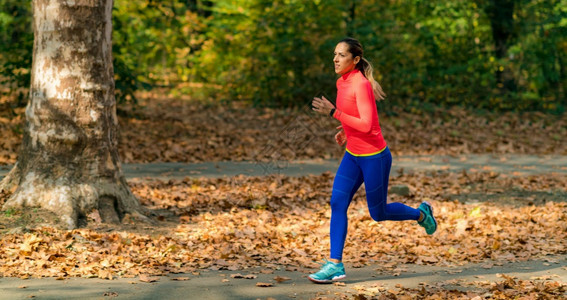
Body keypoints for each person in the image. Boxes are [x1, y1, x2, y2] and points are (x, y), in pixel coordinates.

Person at [309, 37, 437, 284]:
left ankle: (422, 214)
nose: (335, 59)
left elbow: (368, 125)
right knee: (337, 202)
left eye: (341, 55)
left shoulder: (362, 85)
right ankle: (335, 264)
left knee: (378, 213)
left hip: (374, 157)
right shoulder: (341, 82)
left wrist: (334, 112)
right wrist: (345, 130)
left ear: (355, 60)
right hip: (353, 155)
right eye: (334, 54)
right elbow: (354, 116)